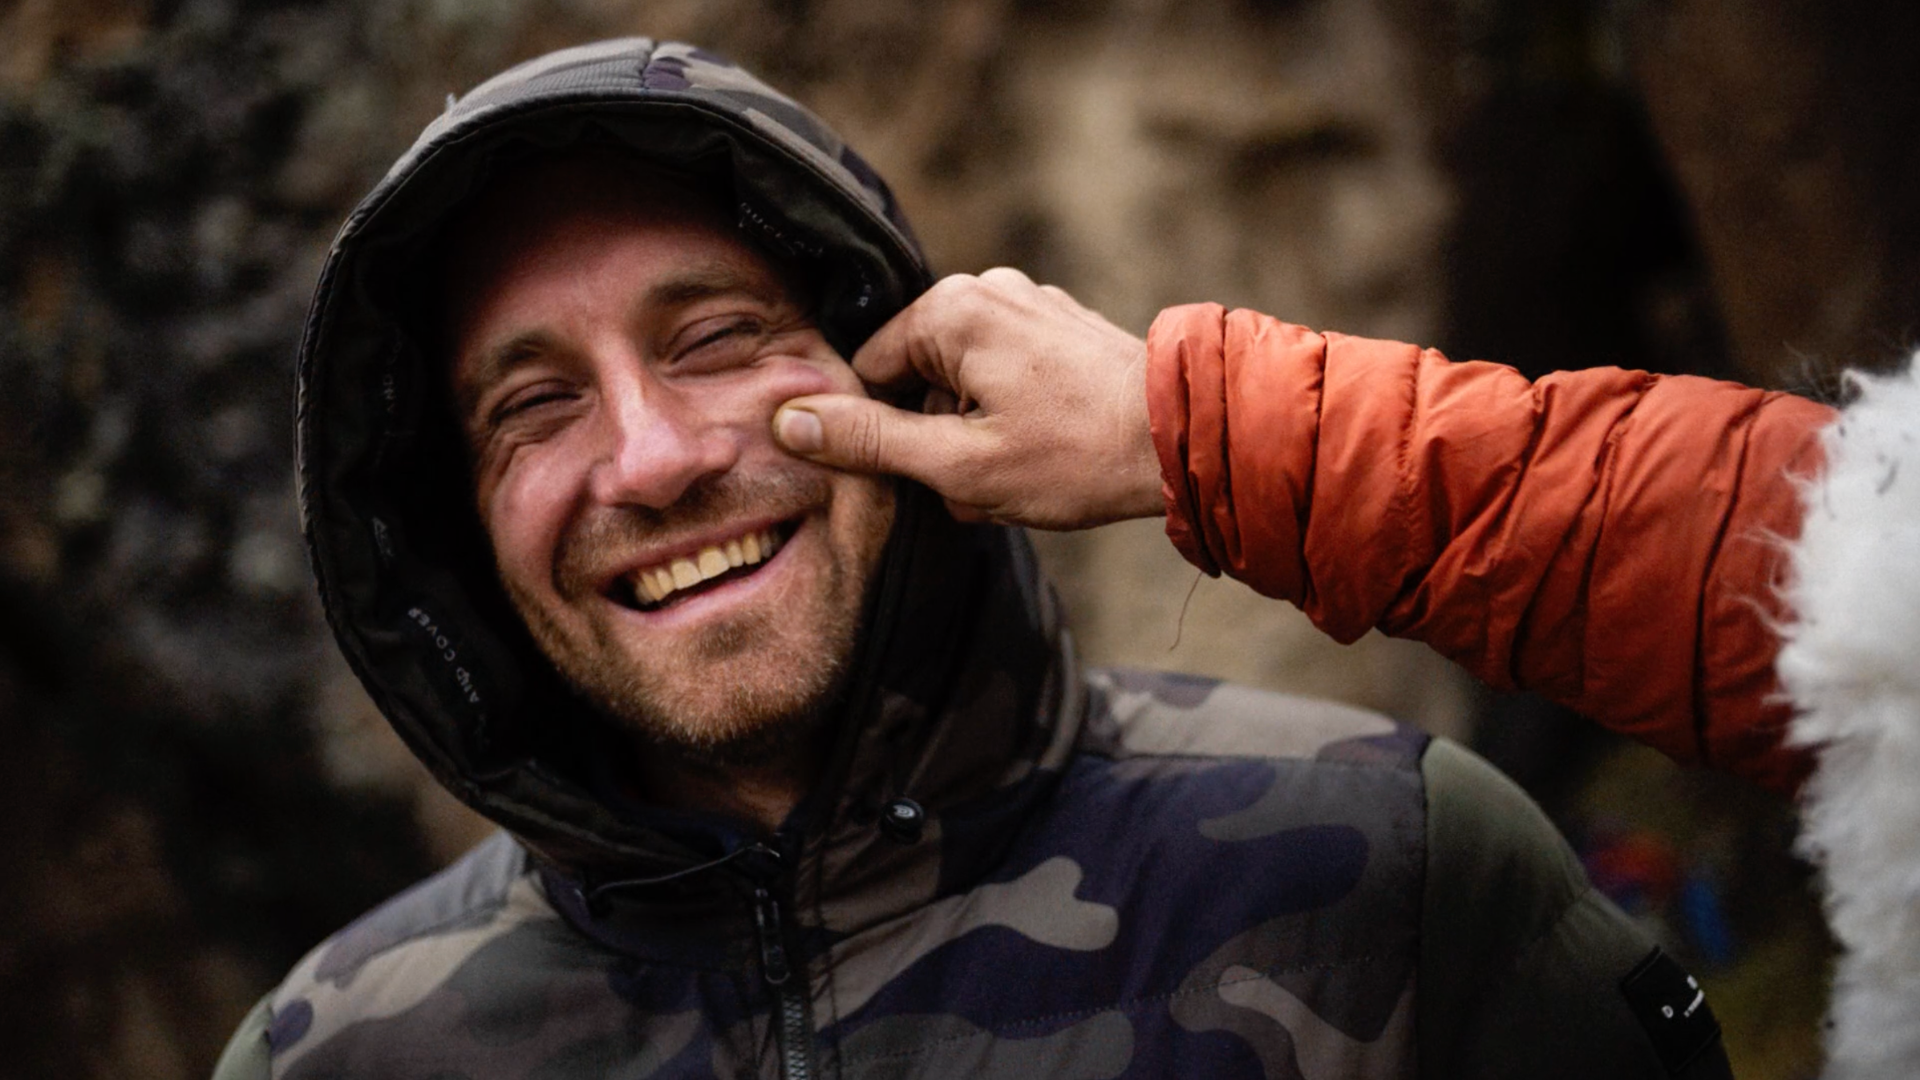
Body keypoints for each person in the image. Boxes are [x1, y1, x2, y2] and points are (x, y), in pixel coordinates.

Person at [214, 38, 1739, 1079]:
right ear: (456, 532)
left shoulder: (1399, 870)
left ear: (904, 371)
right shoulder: (331, 1052)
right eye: (532, 407)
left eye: (718, 337)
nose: (655, 458)